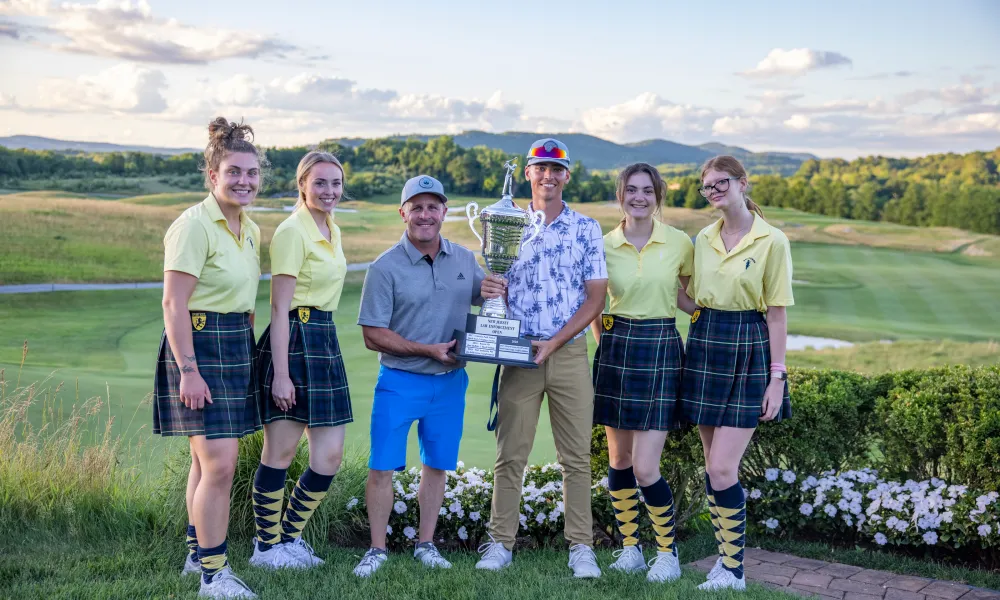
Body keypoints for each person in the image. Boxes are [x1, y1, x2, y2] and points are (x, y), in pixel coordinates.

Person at [477, 138, 608, 578]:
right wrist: (490, 290)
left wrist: (556, 342)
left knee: (576, 457)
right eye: (540, 169)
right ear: (529, 174)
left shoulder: (586, 228)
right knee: (511, 453)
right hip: (517, 351)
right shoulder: (507, 223)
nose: (547, 176)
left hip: (568, 352)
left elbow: (595, 300)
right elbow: (495, 282)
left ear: (566, 175)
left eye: (556, 169)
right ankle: (500, 543)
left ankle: (581, 547)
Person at [352, 175, 493, 577]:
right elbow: (372, 334)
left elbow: (485, 294)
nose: (425, 215)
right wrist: (426, 350)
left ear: (445, 212)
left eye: (433, 207)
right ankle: (377, 549)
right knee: (382, 467)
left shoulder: (465, 258)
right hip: (400, 381)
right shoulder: (384, 267)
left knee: (437, 465)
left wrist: (497, 284)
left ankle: (425, 544)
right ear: (403, 213)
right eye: (417, 207)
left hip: (450, 384)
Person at [153, 117, 264, 599]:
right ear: (213, 174)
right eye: (234, 172)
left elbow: (244, 296)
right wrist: (189, 370)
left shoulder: (250, 227)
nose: (244, 181)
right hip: (200, 348)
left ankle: (196, 553)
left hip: (235, 343)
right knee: (220, 465)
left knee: (205, 463)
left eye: (252, 173)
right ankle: (214, 577)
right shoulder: (193, 225)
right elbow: (174, 303)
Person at [681, 155, 794, 592]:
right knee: (713, 469)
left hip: (749, 345)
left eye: (721, 183)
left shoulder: (773, 240)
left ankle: (733, 571)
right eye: (706, 186)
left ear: (743, 183)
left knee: (723, 469)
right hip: (706, 340)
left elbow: (778, 314)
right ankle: (725, 564)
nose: (714, 191)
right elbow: (685, 294)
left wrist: (777, 376)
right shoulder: (703, 238)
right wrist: (702, 315)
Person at [588, 162, 697, 582]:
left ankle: (667, 553)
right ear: (620, 195)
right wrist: (604, 341)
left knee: (646, 467)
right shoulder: (604, 244)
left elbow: (686, 295)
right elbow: (595, 303)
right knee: (619, 459)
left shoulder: (679, 242)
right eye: (631, 190)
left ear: (658, 196)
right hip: (617, 346)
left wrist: (716, 314)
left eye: (647, 191)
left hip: (660, 347)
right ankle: (630, 548)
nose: (639, 197)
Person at [249, 151, 353, 570]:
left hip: (324, 340)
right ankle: (265, 548)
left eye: (336, 184)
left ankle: (288, 539)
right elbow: (278, 309)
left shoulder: (332, 227)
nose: (329, 191)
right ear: (302, 185)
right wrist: (281, 375)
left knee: (328, 457)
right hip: (292, 340)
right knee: (281, 453)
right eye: (321, 183)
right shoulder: (293, 231)